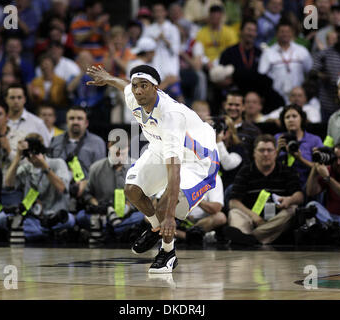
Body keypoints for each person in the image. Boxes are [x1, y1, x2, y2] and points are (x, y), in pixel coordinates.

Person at [86, 64, 219, 273]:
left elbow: (174, 169)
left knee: (165, 206)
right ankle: (156, 228)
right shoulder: (132, 95)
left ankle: (168, 253)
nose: (138, 91)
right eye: (136, 85)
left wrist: (169, 215)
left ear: (156, 88)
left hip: (198, 160)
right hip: (161, 145)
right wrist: (108, 78)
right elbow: (124, 86)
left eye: (144, 86)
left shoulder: (171, 116)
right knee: (132, 190)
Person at [226, 134, 304, 245]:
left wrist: (289, 200)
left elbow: (300, 196)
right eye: (261, 150)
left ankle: (250, 239)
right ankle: (252, 237)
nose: (266, 154)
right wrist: (254, 216)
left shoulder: (286, 171)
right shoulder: (245, 171)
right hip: (250, 218)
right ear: (254, 153)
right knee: (235, 212)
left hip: (276, 220)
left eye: (269, 150)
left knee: (293, 209)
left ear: (275, 153)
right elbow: (233, 202)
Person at [0, 133, 74, 242]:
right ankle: (45, 233)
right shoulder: (26, 168)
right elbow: (8, 184)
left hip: (54, 215)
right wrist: (17, 157)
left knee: (69, 220)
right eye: (29, 151)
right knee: (1, 218)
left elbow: (61, 188)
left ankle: (32, 232)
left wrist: (44, 166)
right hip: (32, 217)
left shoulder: (57, 163)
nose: (32, 154)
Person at [76, 140, 144, 242]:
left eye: (123, 148)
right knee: (80, 216)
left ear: (128, 148)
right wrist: (98, 206)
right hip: (102, 214)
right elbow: (87, 194)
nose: (119, 151)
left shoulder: (137, 167)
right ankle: (117, 229)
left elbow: (145, 194)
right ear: (109, 146)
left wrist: (129, 206)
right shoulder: (96, 168)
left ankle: (106, 230)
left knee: (142, 216)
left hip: (128, 214)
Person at [48, 105, 106, 208]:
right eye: (72, 118)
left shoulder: (97, 143)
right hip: (59, 192)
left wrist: (86, 183)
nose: (75, 122)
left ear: (86, 123)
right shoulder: (55, 141)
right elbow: (49, 168)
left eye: (79, 119)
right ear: (66, 121)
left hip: (87, 194)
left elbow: (100, 175)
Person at [304, 143, 340, 235]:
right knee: (311, 206)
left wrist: (328, 179)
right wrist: (315, 169)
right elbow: (310, 192)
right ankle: (334, 229)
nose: (338, 163)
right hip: (330, 218)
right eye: (335, 158)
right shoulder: (330, 170)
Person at [258, 19, 313, 104]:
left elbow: (310, 71)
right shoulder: (268, 53)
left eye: (288, 31)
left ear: (292, 33)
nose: (285, 34)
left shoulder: (302, 51)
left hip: (297, 98)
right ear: (276, 33)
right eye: (282, 31)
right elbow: (261, 75)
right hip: (276, 98)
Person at [274, 104, 323, 188]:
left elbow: (321, 169)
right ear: (283, 121)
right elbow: (267, 165)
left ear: (302, 118)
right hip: (282, 183)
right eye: (287, 117)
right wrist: (277, 150)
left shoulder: (314, 140)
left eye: (294, 116)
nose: (291, 120)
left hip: (307, 183)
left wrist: (300, 159)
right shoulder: (278, 138)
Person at [223, 91, 261, 166]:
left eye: (237, 105)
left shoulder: (253, 131)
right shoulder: (215, 127)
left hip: (243, 175)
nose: (233, 108)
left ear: (243, 107)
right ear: (224, 105)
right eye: (230, 104)